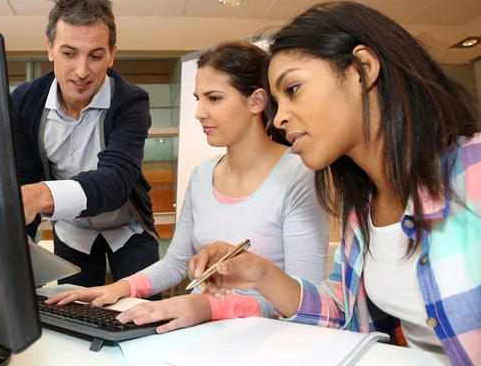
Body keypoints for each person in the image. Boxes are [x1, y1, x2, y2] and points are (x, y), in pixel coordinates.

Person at [190, 1, 481, 365]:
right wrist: (260, 273)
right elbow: (341, 314)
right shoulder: (360, 210)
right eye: (276, 103)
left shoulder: (472, 171)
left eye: (293, 89)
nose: (278, 118)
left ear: (363, 68)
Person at [47, 41, 329, 334]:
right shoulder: (203, 175)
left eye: (214, 98)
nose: (199, 113)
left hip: (262, 340)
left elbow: (304, 301)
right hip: (199, 333)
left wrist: (214, 307)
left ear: (256, 102)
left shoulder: (299, 176)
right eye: (198, 99)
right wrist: (117, 288)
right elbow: (175, 264)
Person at [11, 0, 159, 288]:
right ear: (50, 48)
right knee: (75, 314)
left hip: (128, 229)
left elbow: (116, 180)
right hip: (72, 230)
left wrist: (41, 195)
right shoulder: (23, 102)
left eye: (95, 56)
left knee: (141, 317)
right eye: (69, 53)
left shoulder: (131, 102)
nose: (81, 71)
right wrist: (15, 258)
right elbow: (24, 183)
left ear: (112, 55)